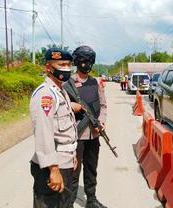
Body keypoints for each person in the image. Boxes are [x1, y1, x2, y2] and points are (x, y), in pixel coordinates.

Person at [30, 48, 81, 208]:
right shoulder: (45, 95)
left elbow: (66, 131)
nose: (66, 68)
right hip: (53, 166)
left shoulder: (61, 91)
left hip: (65, 162)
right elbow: (43, 133)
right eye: (61, 64)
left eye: (68, 65)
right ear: (48, 68)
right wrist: (53, 169)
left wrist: (72, 154)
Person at [67, 46, 108, 208]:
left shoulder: (95, 82)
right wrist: (73, 106)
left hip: (94, 135)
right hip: (76, 136)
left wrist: (102, 122)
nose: (87, 64)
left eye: (90, 61)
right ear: (77, 62)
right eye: (84, 61)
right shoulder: (67, 83)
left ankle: (91, 200)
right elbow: (61, 106)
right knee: (73, 172)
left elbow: (103, 105)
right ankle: (69, 202)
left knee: (91, 169)